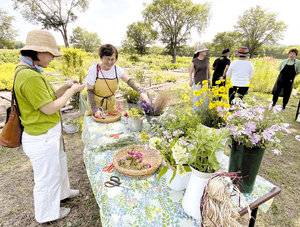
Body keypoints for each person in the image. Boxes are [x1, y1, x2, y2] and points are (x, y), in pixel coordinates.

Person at [14, 29, 86, 223]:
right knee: (47, 177)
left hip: (47, 133)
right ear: (36, 52)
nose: (52, 58)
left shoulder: (31, 71)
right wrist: (72, 91)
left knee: (58, 166)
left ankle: (63, 193)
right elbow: (49, 108)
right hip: (42, 136)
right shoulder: (30, 76)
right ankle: (47, 214)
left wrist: (64, 86)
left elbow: (47, 98)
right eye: (50, 54)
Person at [86, 44, 149, 118]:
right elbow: (90, 91)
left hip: (110, 105)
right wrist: (95, 109)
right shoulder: (94, 70)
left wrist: (141, 91)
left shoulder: (117, 70)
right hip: (94, 104)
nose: (110, 62)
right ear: (101, 57)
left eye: (112, 59)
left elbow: (130, 81)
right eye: (107, 58)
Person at [189, 44, 211, 110]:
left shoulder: (207, 59)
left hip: (205, 81)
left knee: (205, 97)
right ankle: (196, 112)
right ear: (200, 52)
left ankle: (205, 111)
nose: (205, 52)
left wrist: (209, 78)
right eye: (204, 51)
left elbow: (208, 70)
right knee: (196, 97)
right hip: (197, 81)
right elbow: (190, 71)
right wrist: (191, 80)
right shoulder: (194, 61)